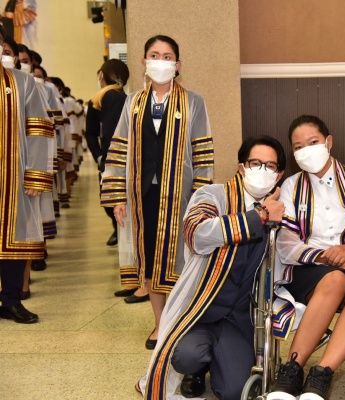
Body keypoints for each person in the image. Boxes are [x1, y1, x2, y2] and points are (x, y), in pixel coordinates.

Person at [137, 135, 286, 400]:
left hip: (237, 318)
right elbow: (196, 234)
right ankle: (196, 369)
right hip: (199, 310)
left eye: (270, 166)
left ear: (279, 175)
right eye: (255, 163)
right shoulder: (213, 196)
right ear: (241, 167)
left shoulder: (281, 211)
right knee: (187, 356)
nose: (262, 170)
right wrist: (259, 216)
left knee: (234, 392)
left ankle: (219, 361)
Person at [101, 35, 214, 350]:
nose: (160, 61)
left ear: (177, 65)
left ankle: (180, 321)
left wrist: (201, 198)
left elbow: (203, 152)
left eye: (167, 56)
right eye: (154, 55)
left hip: (181, 196)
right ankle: (160, 322)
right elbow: (118, 148)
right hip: (143, 195)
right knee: (150, 258)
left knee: (181, 259)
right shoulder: (133, 103)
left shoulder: (193, 102)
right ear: (143, 61)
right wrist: (117, 196)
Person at [268, 115, 345, 400]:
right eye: (298, 147)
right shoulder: (290, 187)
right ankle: (291, 371)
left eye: (313, 142)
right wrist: (329, 257)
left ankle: (321, 375)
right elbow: (286, 243)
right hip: (308, 266)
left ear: (329, 142)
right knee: (335, 279)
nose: (306, 151)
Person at [0, 24, 53, 323]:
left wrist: (36, 173)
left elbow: (38, 127)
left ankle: (10, 299)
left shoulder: (22, 82)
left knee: (13, 238)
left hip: (13, 175)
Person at [86, 59, 129, 248]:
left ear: (101, 75)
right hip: (111, 158)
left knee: (112, 199)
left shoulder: (116, 98)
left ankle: (120, 231)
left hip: (113, 159)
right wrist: (99, 156)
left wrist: (103, 157)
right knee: (111, 199)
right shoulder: (98, 100)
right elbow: (92, 132)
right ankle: (118, 230)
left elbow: (101, 133)